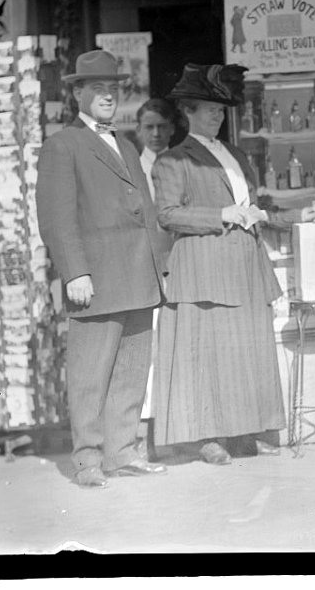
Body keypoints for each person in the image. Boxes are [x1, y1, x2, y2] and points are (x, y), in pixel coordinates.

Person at [151, 63, 309, 465]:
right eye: (209, 109)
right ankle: (205, 436)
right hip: (204, 266)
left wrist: (294, 216)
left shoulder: (236, 154)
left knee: (244, 353)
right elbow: (167, 214)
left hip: (244, 265)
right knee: (207, 356)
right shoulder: (173, 160)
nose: (218, 116)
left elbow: (254, 206)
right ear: (188, 111)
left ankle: (242, 429)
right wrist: (221, 214)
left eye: (221, 110)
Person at [36, 49, 168, 488]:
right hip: (95, 277)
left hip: (137, 274)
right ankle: (88, 458)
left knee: (132, 370)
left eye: (113, 88)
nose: (109, 95)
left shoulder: (127, 143)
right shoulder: (62, 145)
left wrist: (159, 265)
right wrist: (74, 271)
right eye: (98, 88)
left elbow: (146, 210)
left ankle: (122, 452)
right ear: (77, 93)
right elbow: (56, 216)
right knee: (91, 374)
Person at [133, 98, 178, 448]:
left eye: (162, 126)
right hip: (149, 269)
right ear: (138, 131)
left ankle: (180, 426)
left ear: (173, 129)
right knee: (150, 348)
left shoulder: (180, 165)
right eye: (149, 127)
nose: (156, 134)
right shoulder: (133, 170)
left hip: (179, 265)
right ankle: (150, 434)